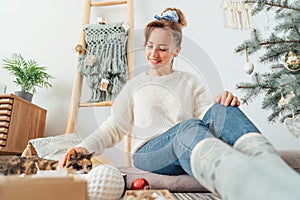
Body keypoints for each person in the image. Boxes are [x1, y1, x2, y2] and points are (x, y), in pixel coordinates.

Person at [62, 8, 300, 199]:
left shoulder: (190, 81)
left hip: (190, 144)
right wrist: (84, 148)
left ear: (176, 50)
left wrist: (223, 105)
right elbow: (114, 127)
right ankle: (242, 184)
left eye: (163, 48)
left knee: (220, 109)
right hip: (150, 153)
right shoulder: (135, 86)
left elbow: (208, 115)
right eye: (150, 46)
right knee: (189, 127)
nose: (154, 53)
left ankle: (276, 173)